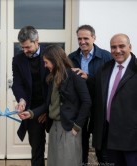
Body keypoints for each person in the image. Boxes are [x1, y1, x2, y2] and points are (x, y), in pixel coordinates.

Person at [19, 44, 91, 166]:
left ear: (55, 60)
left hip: (69, 128)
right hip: (54, 128)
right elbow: (48, 104)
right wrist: (31, 113)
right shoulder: (52, 78)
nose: (45, 65)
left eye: (46, 62)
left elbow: (87, 102)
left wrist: (77, 126)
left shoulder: (75, 77)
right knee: (54, 162)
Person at [68, 24, 112, 164]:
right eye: (79, 38)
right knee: (80, 144)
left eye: (86, 38)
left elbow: (110, 82)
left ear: (94, 37)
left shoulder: (107, 57)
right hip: (80, 107)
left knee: (101, 146)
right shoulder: (71, 57)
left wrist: (89, 77)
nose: (82, 42)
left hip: (100, 107)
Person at [92, 33, 137, 166]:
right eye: (113, 47)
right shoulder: (104, 69)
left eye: (121, 46)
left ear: (130, 47)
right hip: (107, 137)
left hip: (131, 139)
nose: (117, 51)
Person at [12, 25, 49, 166]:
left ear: (37, 41)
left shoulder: (50, 53)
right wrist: (21, 100)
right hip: (32, 110)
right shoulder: (18, 59)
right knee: (36, 148)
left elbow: (57, 86)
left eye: (28, 47)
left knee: (60, 148)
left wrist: (47, 110)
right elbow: (17, 84)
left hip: (53, 106)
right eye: (22, 47)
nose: (25, 51)